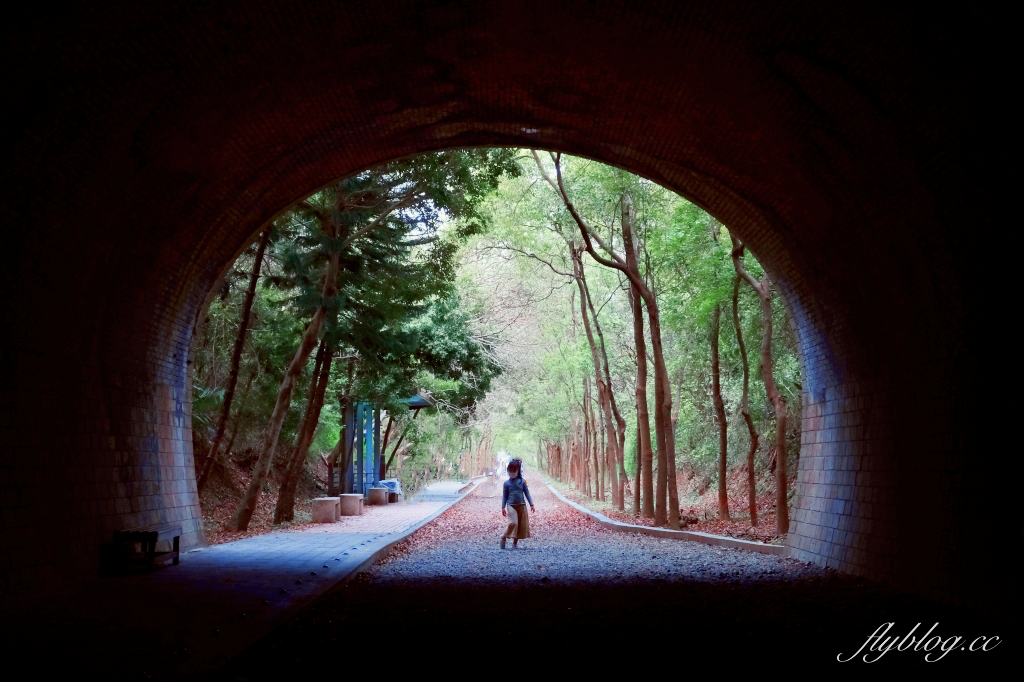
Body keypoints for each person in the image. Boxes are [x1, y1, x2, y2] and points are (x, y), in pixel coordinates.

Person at [500, 459, 535, 549]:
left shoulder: (522, 482)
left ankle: (514, 544)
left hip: (522, 506)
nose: (511, 473)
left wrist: (531, 504)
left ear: (518, 471)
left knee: (520, 525)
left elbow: (527, 493)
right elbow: (505, 496)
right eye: (510, 471)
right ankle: (503, 536)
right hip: (511, 505)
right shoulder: (506, 483)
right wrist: (503, 507)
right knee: (513, 523)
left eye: (513, 471)